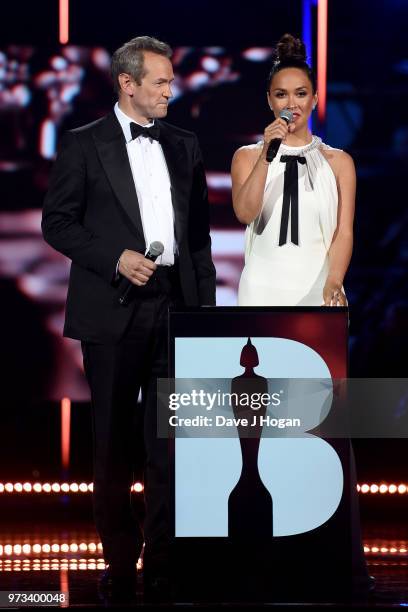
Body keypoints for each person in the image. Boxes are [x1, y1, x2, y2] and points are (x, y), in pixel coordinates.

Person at [41, 35, 216, 602]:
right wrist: (114, 258)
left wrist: (204, 320)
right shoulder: (83, 144)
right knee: (114, 443)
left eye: (171, 80)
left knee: (170, 443)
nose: (172, 89)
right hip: (112, 307)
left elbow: (199, 243)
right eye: (161, 81)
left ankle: (162, 559)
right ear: (128, 83)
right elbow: (58, 223)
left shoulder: (185, 144)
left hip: (174, 305)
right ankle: (119, 560)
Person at [232, 33, 354, 307]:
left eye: (300, 93)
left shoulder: (339, 162)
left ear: (314, 98)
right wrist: (266, 154)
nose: (291, 104)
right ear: (269, 100)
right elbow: (245, 213)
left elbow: (343, 232)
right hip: (259, 291)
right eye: (281, 95)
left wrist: (334, 281)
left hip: (319, 290)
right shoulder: (247, 157)